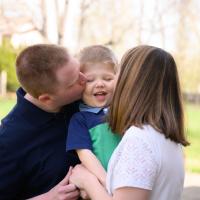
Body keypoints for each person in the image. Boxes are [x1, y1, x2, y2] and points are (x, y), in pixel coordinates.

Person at [69, 45, 190, 200]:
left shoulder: (140, 141)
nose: (105, 84)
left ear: (130, 82)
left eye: (113, 76)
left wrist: (88, 182)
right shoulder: (166, 137)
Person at [0, 44, 86, 200]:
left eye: (80, 70)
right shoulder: (8, 142)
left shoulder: (80, 101)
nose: (85, 79)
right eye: (74, 82)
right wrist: (49, 197)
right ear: (46, 98)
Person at [66, 45, 121, 187]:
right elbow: (84, 153)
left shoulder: (125, 110)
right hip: (102, 183)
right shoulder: (80, 119)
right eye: (90, 80)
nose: (100, 84)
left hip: (131, 180)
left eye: (108, 78)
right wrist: (106, 180)